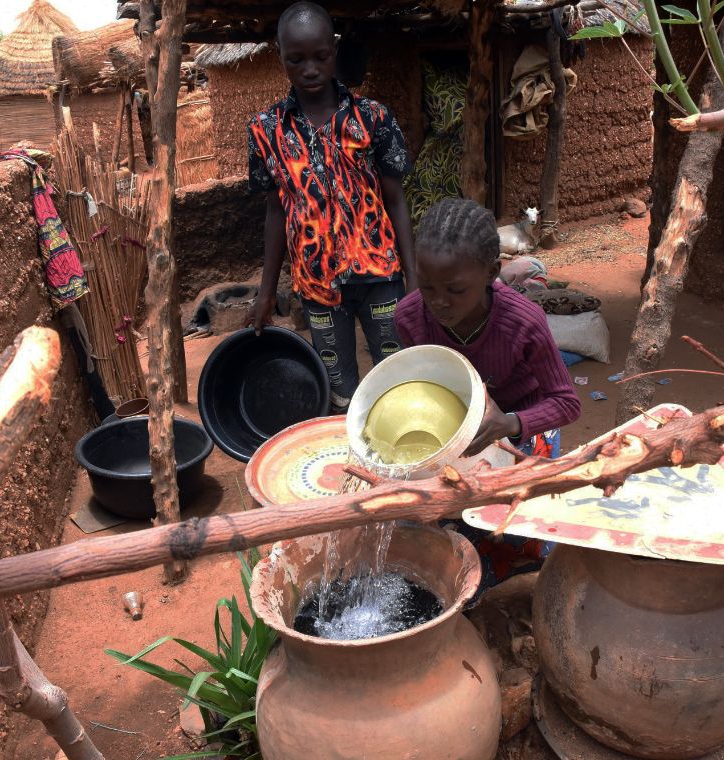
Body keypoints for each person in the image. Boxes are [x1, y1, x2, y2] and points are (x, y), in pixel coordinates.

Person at [395, 197, 581, 594]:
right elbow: (419, 385)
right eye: (426, 286)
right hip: (456, 426)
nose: (438, 302)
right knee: (445, 523)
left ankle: (523, 581)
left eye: (455, 289)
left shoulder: (523, 323)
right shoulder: (410, 317)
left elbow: (566, 402)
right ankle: (464, 583)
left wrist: (509, 423)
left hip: (524, 420)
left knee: (517, 526)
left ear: (492, 273)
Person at [245, 1, 416, 411]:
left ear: (334, 51)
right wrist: (267, 292)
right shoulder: (265, 131)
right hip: (316, 285)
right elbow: (275, 212)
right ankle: (353, 463)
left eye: (320, 57)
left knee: (395, 378)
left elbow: (396, 200)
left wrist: (414, 278)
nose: (310, 69)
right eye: (296, 59)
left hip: (380, 276)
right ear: (281, 57)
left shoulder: (373, 118)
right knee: (339, 390)